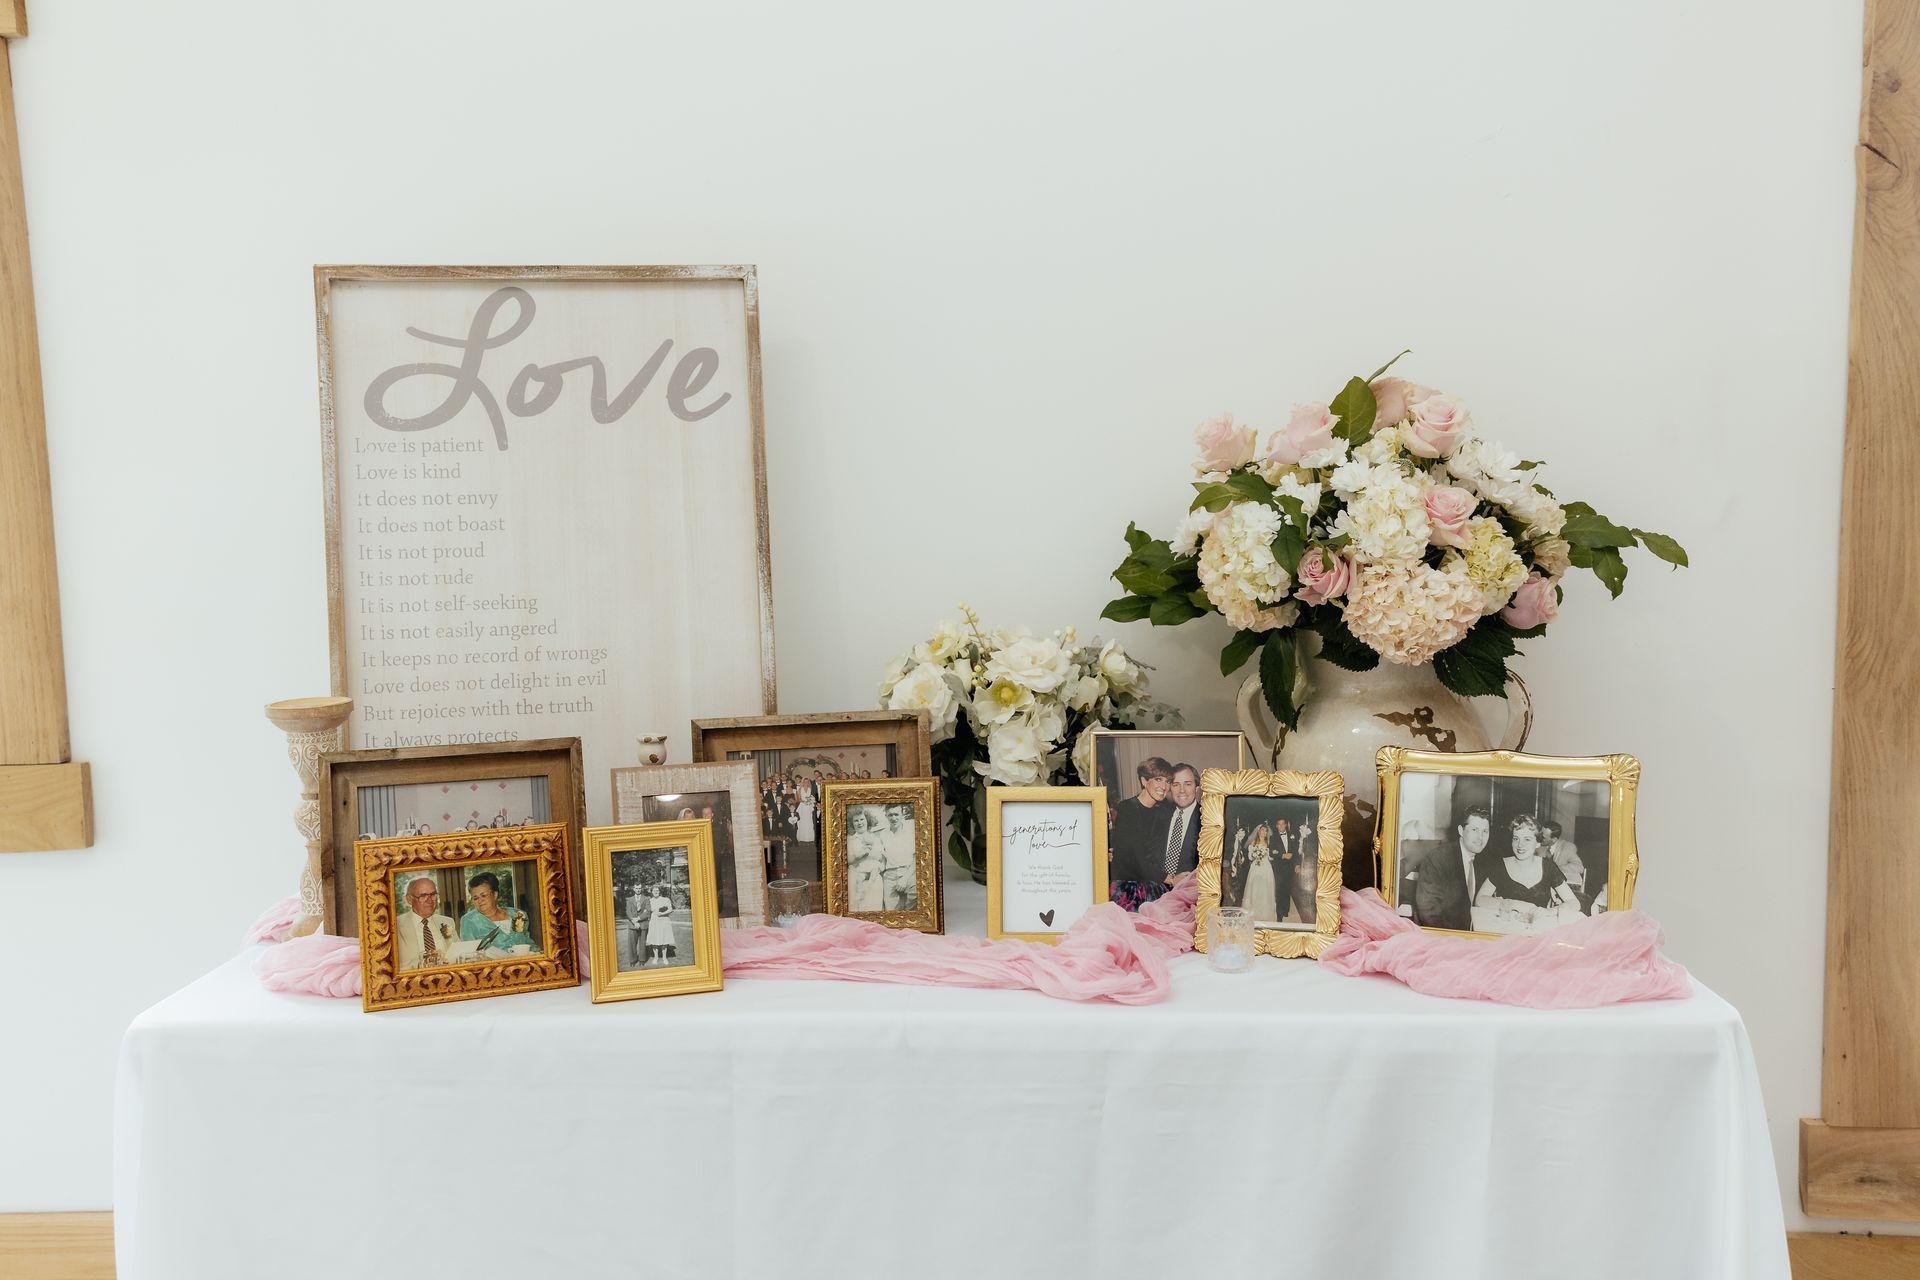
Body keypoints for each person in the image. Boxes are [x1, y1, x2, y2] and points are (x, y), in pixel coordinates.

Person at [1474, 814, 1578, 923]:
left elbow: (1574, 903)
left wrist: (1549, 911)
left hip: (1538, 929)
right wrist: (1512, 904)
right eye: (1516, 839)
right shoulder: (1501, 866)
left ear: (1538, 843)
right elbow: (1479, 900)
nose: (1520, 845)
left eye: (1527, 839)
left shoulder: (1548, 867)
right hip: (1507, 927)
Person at [1413, 805, 1491, 932]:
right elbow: (1428, 913)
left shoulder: (1484, 860)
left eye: (1485, 831)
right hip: (1444, 936)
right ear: (1461, 830)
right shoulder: (1437, 859)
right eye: (1474, 830)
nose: (1480, 837)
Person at [1109, 757, 1174, 883]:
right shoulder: (1128, 808)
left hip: (1153, 879)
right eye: (1158, 779)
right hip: (1130, 884)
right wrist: (1170, 879)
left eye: (1168, 781)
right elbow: (1135, 858)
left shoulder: (1163, 811)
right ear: (1144, 781)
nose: (1164, 787)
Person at [459, 871, 534, 957]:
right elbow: (468, 954)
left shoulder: (517, 915)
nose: (480, 901)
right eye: (475, 898)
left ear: (495, 894)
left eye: (483, 895)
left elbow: (528, 944)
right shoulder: (469, 921)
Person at [394, 875, 459, 970]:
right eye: (423, 896)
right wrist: (424, 964)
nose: (430, 901)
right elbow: (391, 967)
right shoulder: (396, 926)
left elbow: (459, 954)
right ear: (409, 899)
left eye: (433, 894)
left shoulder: (447, 922)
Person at [1159, 764, 1202, 879]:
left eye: (1187, 784)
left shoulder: (1208, 820)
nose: (1182, 790)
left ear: (1197, 789)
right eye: (1176, 784)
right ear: (1170, 789)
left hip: (1192, 887)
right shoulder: (1159, 818)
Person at [1238, 822, 1280, 921]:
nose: (1264, 832)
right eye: (1262, 830)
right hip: (1256, 867)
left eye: (1266, 831)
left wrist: (1273, 854)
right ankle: (1253, 911)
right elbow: (1250, 857)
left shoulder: (1268, 842)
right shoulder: (1253, 842)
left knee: (1265, 888)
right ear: (1258, 831)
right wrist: (1255, 855)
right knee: (1255, 888)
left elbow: (1270, 857)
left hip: (1266, 867)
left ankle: (1265, 912)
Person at [846, 807, 885, 912]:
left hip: (874, 880)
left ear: (867, 820)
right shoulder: (849, 840)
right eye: (856, 820)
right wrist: (861, 855)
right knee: (855, 909)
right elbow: (847, 860)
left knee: (873, 910)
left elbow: (882, 860)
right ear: (852, 823)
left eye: (862, 819)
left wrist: (875, 870)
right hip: (855, 879)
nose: (859, 823)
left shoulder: (876, 839)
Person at [879, 804, 916, 910]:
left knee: (916, 893)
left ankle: (909, 916)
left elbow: (916, 858)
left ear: (902, 814)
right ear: (886, 816)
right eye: (890, 815)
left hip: (908, 872)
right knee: (890, 909)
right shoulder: (883, 834)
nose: (893, 818)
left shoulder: (911, 832)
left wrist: (905, 878)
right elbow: (882, 860)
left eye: (896, 814)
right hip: (889, 875)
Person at [1541, 820, 1587, 904]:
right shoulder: (1538, 846)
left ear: (1554, 839)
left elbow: (1579, 867)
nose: (1539, 838)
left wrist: (1556, 869)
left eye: (1543, 837)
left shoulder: (1568, 847)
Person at [1288, 818, 1318, 925]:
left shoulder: (1313, 839)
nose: (1302, 828)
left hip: (1309, 869)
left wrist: (1306, 867)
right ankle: (1302, 915)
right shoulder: (1301, 838)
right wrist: (1297, 864)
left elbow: (1313, 854)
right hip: (1300, 867)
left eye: (1305, 826)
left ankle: (1310, 921)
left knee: (1309, 895)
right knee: (1296, 891)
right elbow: (1298, 853)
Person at [645, 883, 679, 964]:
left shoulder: (665, 899)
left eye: (657, 890)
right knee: (654, 939)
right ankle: (656, 957)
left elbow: (671, 909)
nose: (656, 892)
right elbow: (647, 910)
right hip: (654, 921)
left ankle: (664, 958)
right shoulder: (650, 900)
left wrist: (662, 914)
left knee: (664, 939)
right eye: (654, 890)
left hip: (664, 921)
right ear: (651, 892)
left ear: (660, 891)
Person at [624, 882, 649, 966]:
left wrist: (638, 919)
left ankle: (642, 960)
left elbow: (648, 912)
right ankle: (632, 960)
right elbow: (628, 911)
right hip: (632, 924)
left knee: (642, 943)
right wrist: (634, 921)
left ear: (641, 889)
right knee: (632, 944)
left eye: (639, 888)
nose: (638, 890)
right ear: (634, 889)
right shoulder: (629, 899)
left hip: (643, 924)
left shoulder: (646, 899)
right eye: (637, 888)